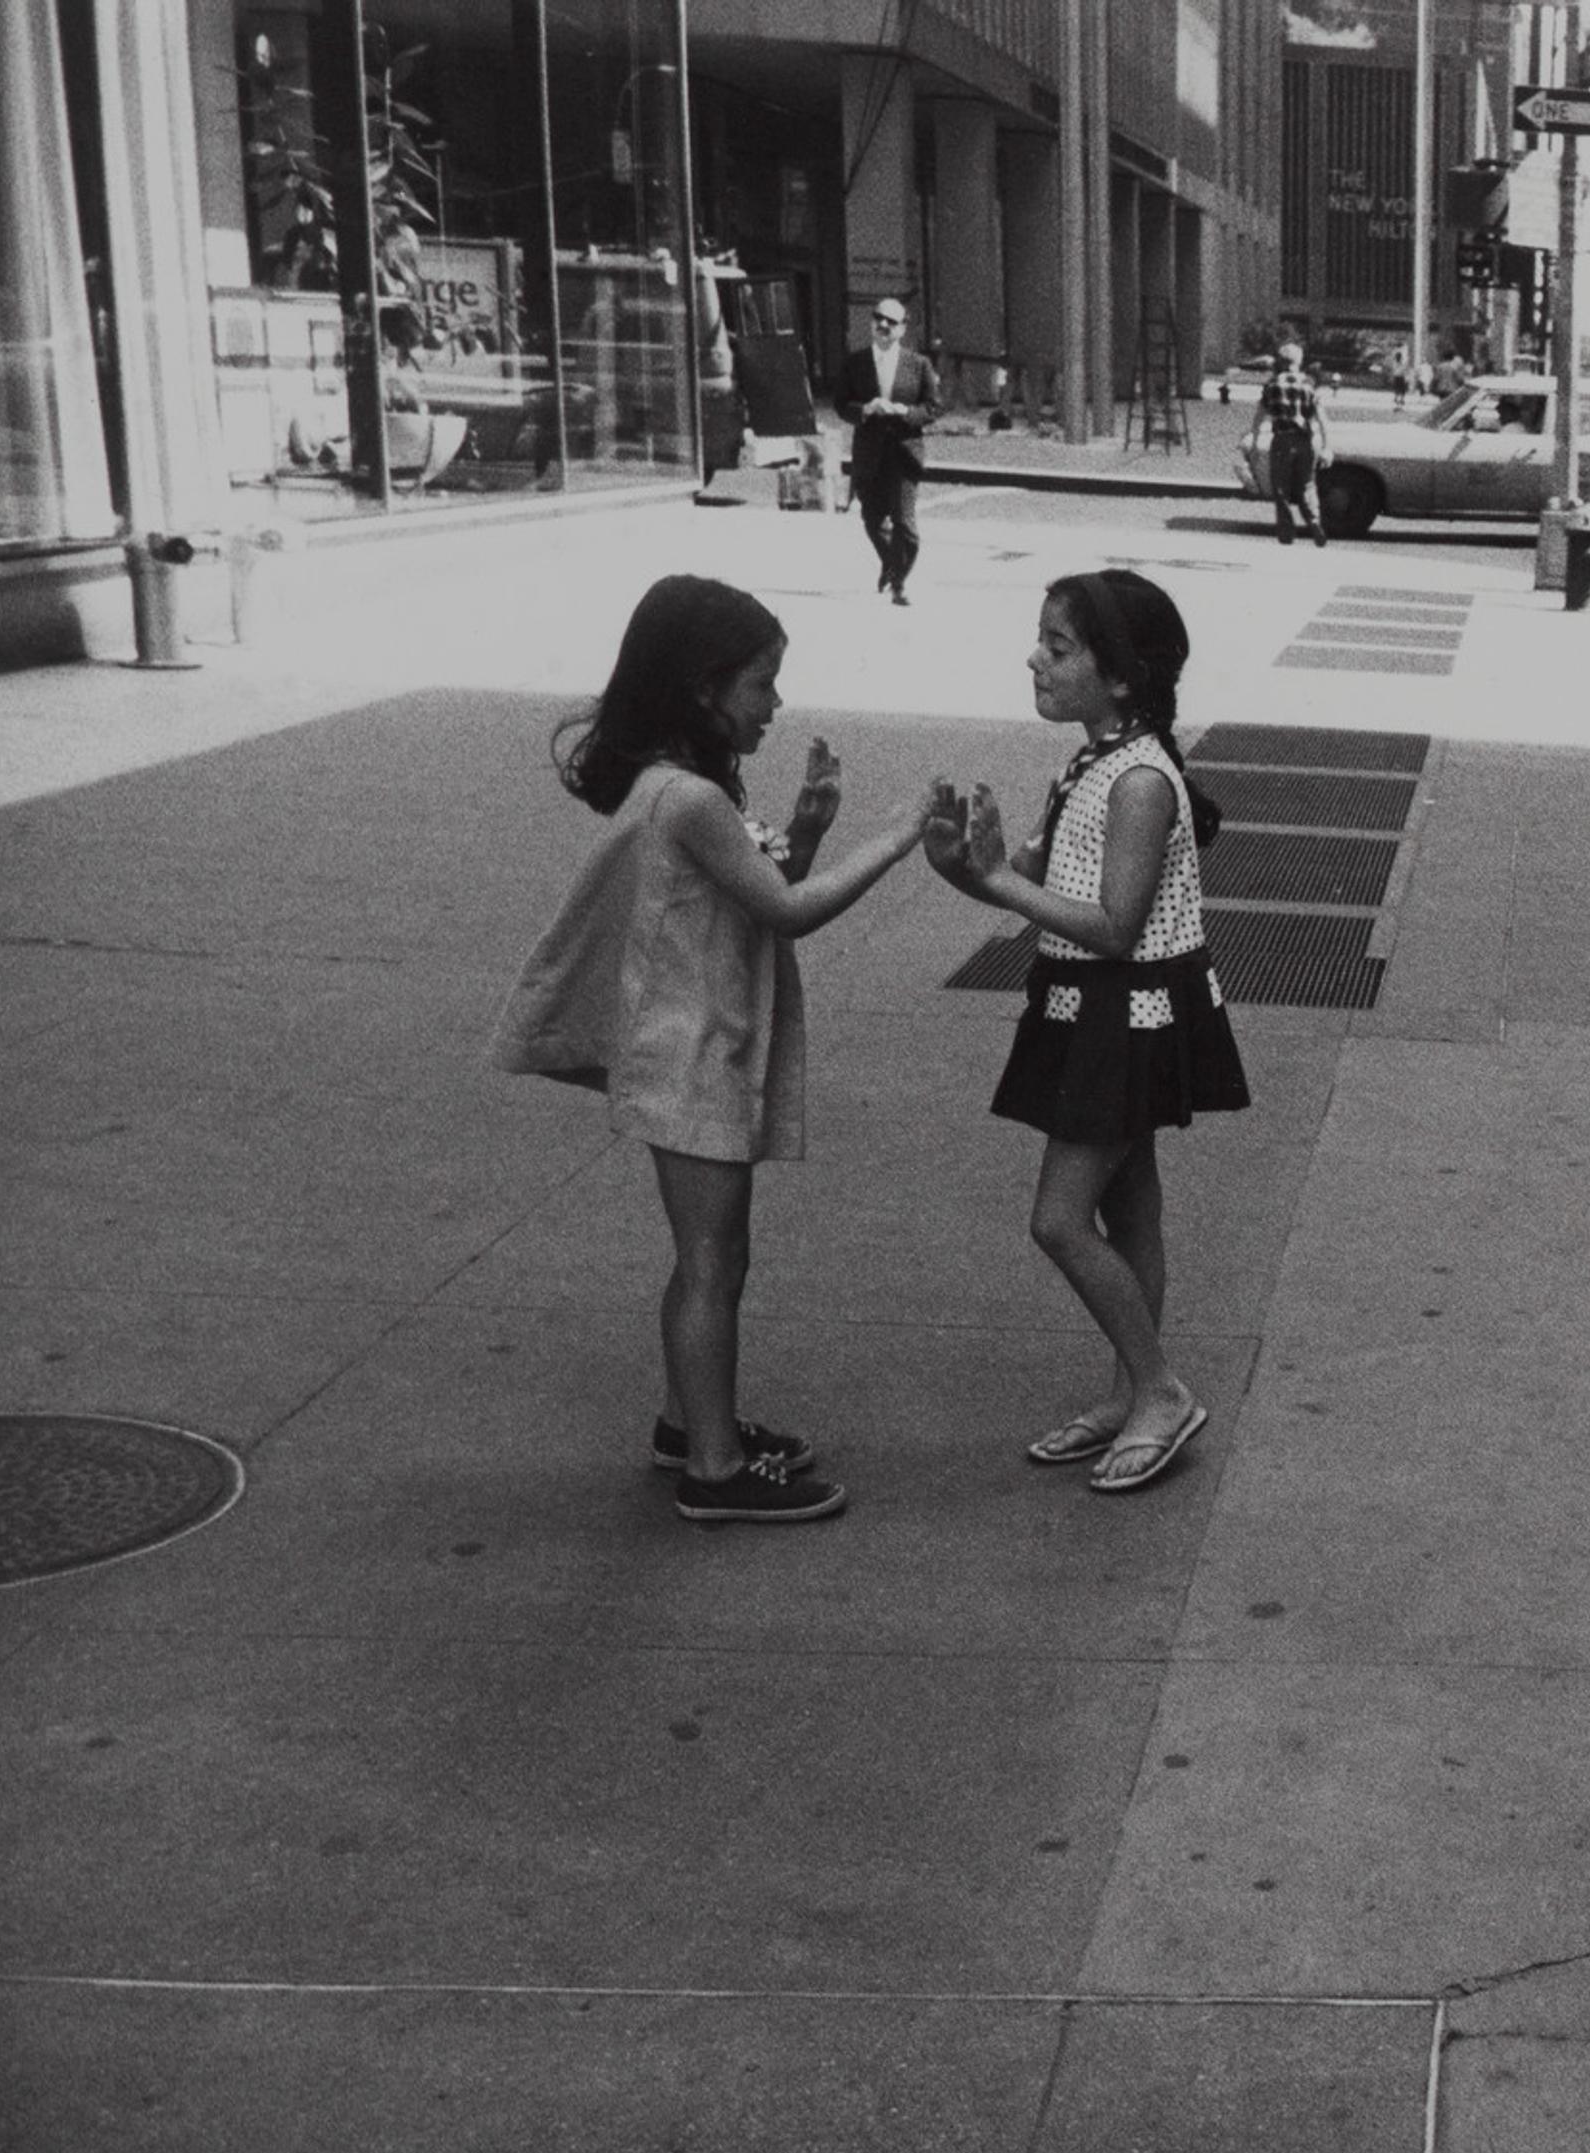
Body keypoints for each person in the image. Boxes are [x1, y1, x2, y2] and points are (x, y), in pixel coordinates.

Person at [493, 576, 943, 1523]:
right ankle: (714, 1467)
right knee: (712, 1260)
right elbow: (787, 910)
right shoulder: (688, 798)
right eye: (762, 685)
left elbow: (757, 888)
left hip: (703, 1041)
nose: (775, 706)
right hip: (689, 1051)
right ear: (704, 688)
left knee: (714, 1255)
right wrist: (898, 837)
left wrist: (811, 825)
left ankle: (686, 1423)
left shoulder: (689, 790)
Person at [924, 570, 1246, 1494]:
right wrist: (964, 866)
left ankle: (1157, 1389)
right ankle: (1126, 1391)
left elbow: (1114, 922)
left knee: (1060, 1220)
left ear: (1120, 677)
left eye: (1059, 647)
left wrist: (997, 877)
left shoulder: (1139, 780)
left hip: (1126, 1015)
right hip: (1095, 1010)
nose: (1036, 657)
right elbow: (1018, 885)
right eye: (1042, 639)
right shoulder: (1094, 761)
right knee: (1129, 1207)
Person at [837, 299, 941, 603]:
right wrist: (866, 409)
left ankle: (899, 583)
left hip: (904, 452)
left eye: (891, 322)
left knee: (906, 526)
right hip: (869, 454)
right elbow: (841, 404)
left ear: (903, 329)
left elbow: (934, 406)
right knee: (871, 520)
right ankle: (891, 564)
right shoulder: (854, 363)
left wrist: (905, 411)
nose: (883, 326)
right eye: (878, 319)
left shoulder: (918, 364)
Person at [1253, 343, 1329, 547]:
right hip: (1306, 441)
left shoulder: (1272, 385)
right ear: (1299, 361)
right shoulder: (1309, 384)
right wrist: (1327, 446)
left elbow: (1259, 417)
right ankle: (1314, 522)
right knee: (1307, 485)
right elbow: (1321, 418)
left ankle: (1287, 532)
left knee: (1281, 488)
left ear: (1280, 361)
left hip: (1282, 440)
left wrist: (1254, 444)